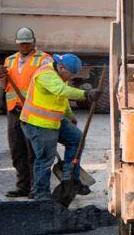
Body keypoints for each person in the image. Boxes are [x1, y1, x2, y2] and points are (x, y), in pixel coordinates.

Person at [20, 53, 98, 201]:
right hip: (38, 123)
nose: (71, 77)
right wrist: (86, 94)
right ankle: (41, 194)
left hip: (55, 120)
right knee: (45, 159)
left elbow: (61, 97)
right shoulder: (45, 75)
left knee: (77, 140)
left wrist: (70, 115)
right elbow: (61, 91)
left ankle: (70, 179)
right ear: (62, 67)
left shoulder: (60, 75)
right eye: (71, 73)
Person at [2, 27, 51, 197]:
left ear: (33, 42)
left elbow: (48, 85)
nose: (23, 46)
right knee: (17, 150)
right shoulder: (9, 60)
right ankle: (22, 186)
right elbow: (5, 87)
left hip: (32, 112)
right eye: (21, 44)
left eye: (26, 43)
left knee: (34, 152)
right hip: (14, 111)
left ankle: (36, 188)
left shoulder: (44, 60)